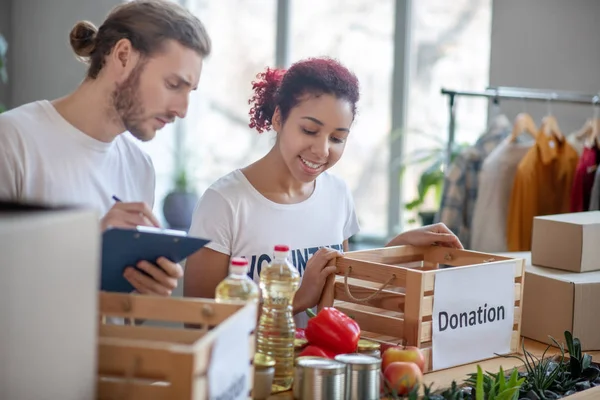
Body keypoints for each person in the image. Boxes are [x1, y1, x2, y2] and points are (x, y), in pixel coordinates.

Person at [183, 57, 462, 327]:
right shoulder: (224, 202)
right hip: (249, 372)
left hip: (319, 368)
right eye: (309, 130)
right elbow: (198, 321)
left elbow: (341, 296)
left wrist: (398, 250)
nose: (322, 150)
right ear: (279, 118)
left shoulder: (337, 195)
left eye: (337, 138)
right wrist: (298, 298)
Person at [0, 0, 211, 297]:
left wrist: (146, 291)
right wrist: (86, 247)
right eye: (174, 84)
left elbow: (125, 316)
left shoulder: (140, 168)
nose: (182, 110)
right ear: (123, 56)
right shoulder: (12, 141)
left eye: (190, 92)